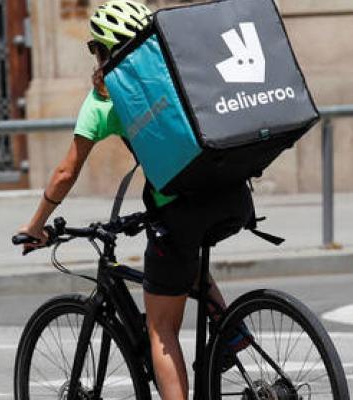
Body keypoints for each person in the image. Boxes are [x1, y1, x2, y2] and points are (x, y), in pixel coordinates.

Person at [17, 1, 252, 399]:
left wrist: (35, 225)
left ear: (104, 51)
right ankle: (229, 327)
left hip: (181, 211)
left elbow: (65, 173)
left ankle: (222, 334)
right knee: (183, 259)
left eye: (95, 49)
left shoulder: (105, 98)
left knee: (161, 328)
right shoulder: (182, 66)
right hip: (233, 194)